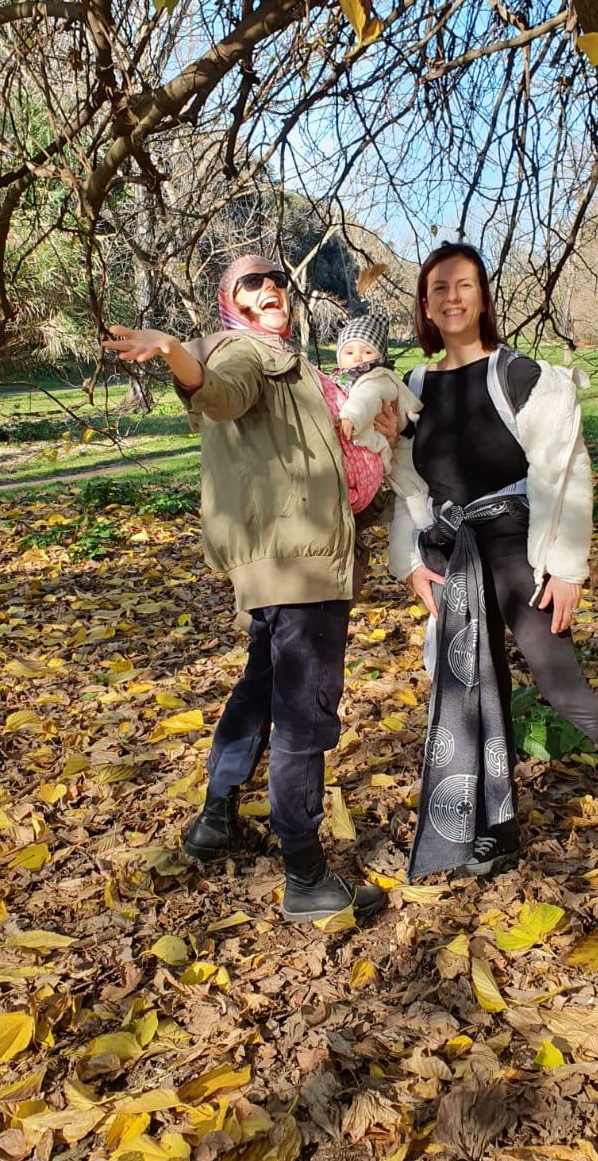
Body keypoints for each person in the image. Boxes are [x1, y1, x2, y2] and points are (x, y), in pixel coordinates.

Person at [388, 241, 598, 883]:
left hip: (518, 554)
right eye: (438, 288)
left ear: (482, 298)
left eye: (464, 286)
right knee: (480, 694)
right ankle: (496, 830)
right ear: (424, 305)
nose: (451, 298)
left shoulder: (522, 377)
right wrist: (409, 560)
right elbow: (406, 483)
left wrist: (566, 568)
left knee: (563, 689)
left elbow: (565, 473)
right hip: (452, 560)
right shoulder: (413, 389)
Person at [103, 255, 392, 926]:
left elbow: (334, 460)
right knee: (303, 713)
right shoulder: (244, 351)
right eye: (251, 285)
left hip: (287, 559)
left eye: (277, 283)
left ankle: (215, 820)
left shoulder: (294, 367)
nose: (271, 291)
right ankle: (306, 876)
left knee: (262, 689)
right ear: (229, 301)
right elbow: (221, 390)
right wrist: (176, 352)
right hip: (298, 563)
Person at [332, 313, 430, 528]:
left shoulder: (378, 377)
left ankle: (428, 528)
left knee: (412, 492)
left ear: (380, 356)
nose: (357, 358)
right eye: (348, 352)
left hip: (388, 448)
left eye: (367, 351)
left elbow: (367, 397)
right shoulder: (341, 382)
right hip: (370, 447)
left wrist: (350, 416)